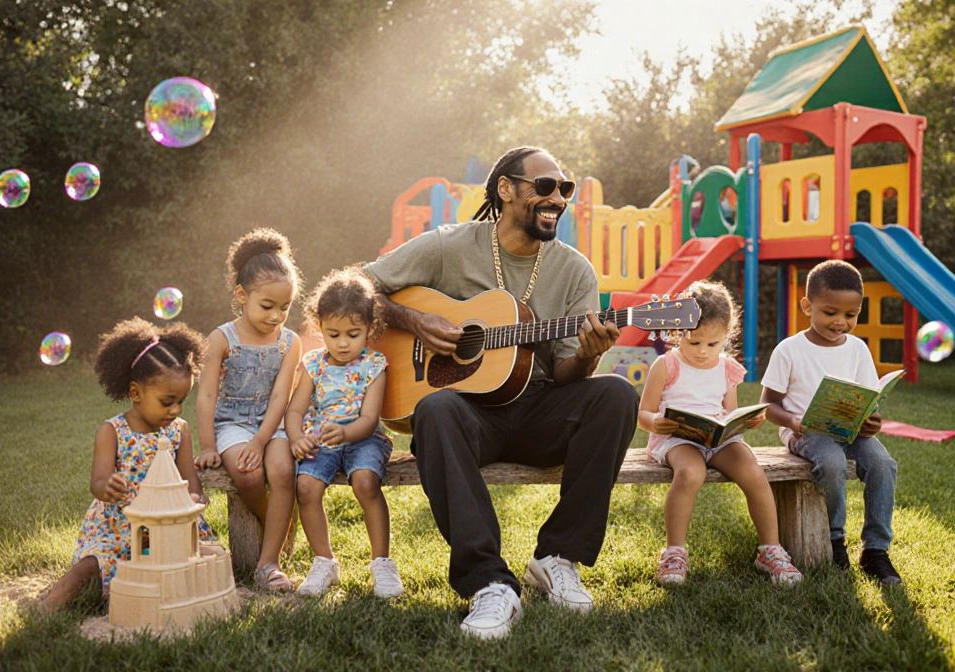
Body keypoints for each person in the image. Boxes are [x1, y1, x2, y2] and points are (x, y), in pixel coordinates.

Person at [363, 146, 639, 639]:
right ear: (506, 189)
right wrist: (415, 320)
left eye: (565, 189)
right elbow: (358, 288)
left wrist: (589, 354)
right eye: (545, 186)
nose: (558, 198)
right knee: (434, 408)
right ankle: (488, 583)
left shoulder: (573, 270)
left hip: (539, 409)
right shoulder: (449, 246)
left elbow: (566, 375)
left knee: (615, 394)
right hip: (470, 414)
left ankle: (557, 557)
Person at [43, 318, 215, 610]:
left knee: (204, 555)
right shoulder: (112, 431)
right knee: (92, 565)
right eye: (167, 401)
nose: (175, 409)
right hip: (122, 524)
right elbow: (98, 482)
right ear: (136, 393)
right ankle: (49, 604)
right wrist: (107, 486)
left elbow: (190, 482)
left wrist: (195, 498)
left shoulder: (179, 430)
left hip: (168, 522)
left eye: (182, 401)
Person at [638, 280, 803, 586]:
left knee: (753, 471)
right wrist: (656, 421)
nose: (703, 352)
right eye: (694, 342)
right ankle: (674, 553)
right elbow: (643, 414)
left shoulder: (727, 368)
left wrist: (745, 423)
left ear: (727, 335)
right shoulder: (666, 365)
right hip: (676, 440)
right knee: (691, 473)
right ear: (677, 332)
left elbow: (730, 414)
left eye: (713, 344)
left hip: (718, 440)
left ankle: (771, 550)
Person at [759, 260, 902, 584]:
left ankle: (876, 550)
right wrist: (793, 421)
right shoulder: (789, 350)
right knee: (833, 462)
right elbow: (768, 405)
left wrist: (873, 422)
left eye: (851, 315)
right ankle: (835, 540)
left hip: (849, 430)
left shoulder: (858, 349)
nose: (840, 322)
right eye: (830, 312)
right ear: (807, 306)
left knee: (883, 464)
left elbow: (868, 400)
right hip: (806, 431)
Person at [284, 266, 404, 599]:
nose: (342, 343)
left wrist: (346, 433)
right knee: (306, 486)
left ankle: (382, 563)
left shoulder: (374, 365)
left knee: (365, 482)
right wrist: (296, 437)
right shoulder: (313, 364)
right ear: (319, 325)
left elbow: (369, 418)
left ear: (370, 328)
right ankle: (325, 562)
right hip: (322, 439)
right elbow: (294, 411)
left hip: (363, 438)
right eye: (333, 333)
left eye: (353, 334)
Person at [194, 228, 302, 592]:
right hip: (232, 423)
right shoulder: (221, 338)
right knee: (246, 472)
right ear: (242, 296)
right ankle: (278, 522)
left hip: (273, 423)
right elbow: (207, 395)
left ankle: (268, 565)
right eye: (267, 306)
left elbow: (281, 398)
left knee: (282, 470)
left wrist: (261, 440)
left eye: (285, 307)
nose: (276, 316)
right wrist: (208, 446)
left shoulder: (289, 342)